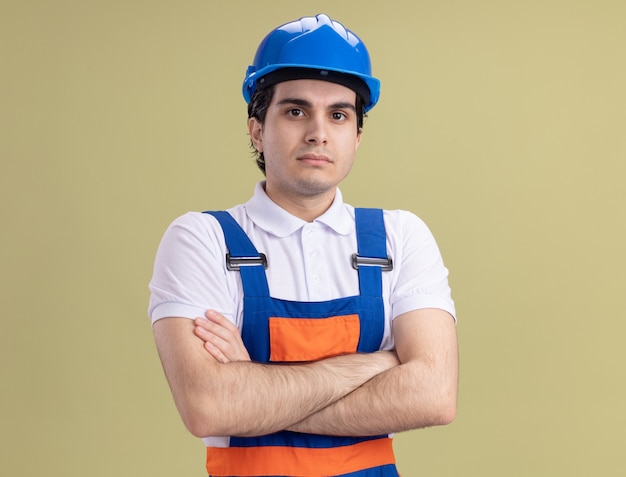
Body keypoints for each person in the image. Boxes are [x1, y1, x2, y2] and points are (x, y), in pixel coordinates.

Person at [149, 13, 458, 477]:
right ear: (257, 129)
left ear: (356, 136)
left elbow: (434, 395)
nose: (318, 132)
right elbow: (208, 407)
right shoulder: (202, 240)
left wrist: (253, 391)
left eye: (338, 114)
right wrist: (375, 365)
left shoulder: (400, 236)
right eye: (295, 111)